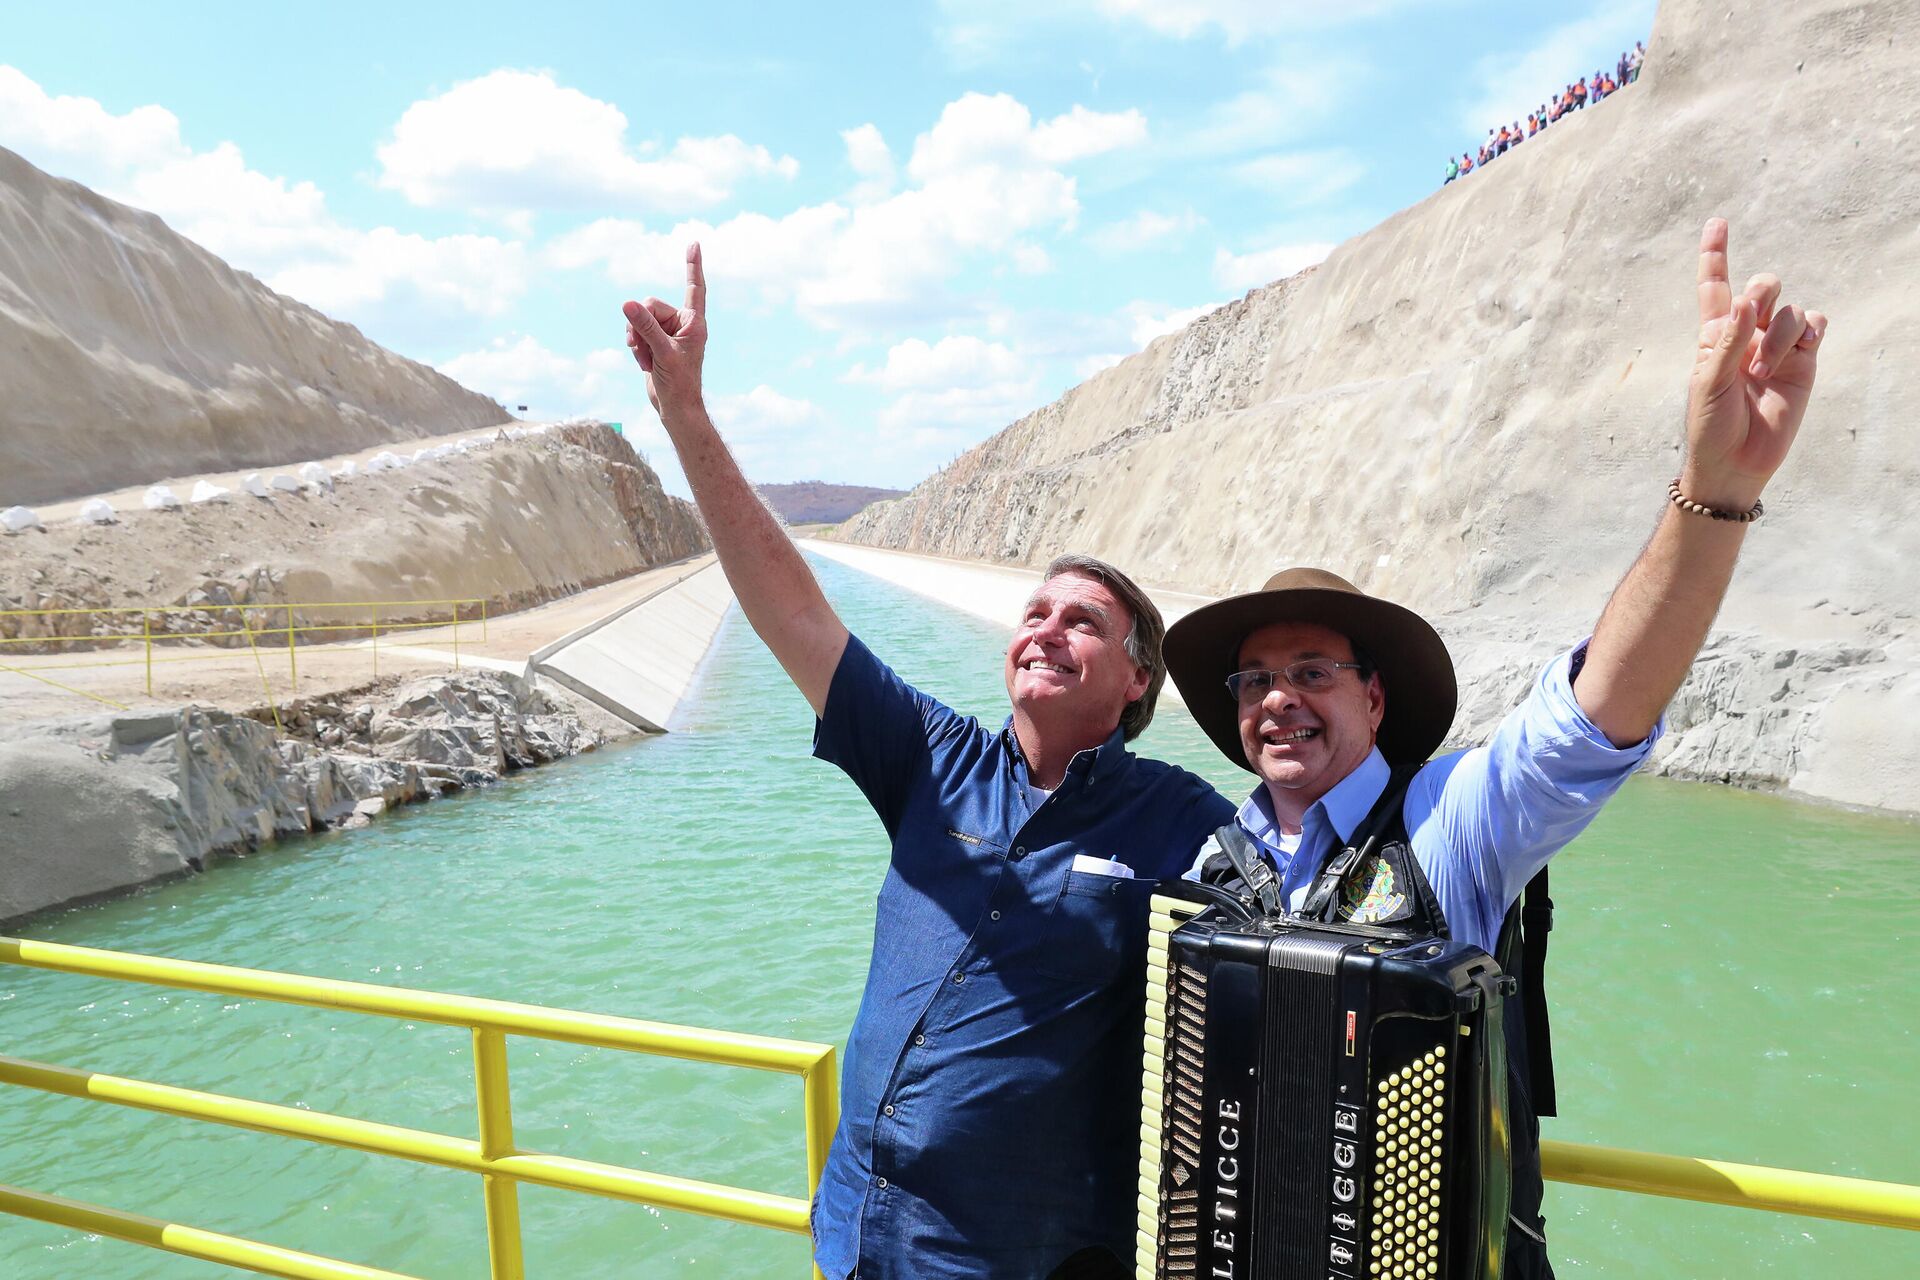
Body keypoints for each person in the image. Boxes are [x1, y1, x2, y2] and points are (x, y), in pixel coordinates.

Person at [1160, 218, 1825, 1278]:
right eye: (1256, 678)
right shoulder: (1212, 869)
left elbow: (1593, 715)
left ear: (1375, 698)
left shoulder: (1452, 819)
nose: (1278, 699)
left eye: (1311, 671)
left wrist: (1713, 493)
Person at [620, 247, 1235, 1280]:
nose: (1043, 629)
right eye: (1033, 610)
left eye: (1081, 621)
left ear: (1137, 679)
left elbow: (1308, 887)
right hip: (857, 1237)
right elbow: (795, 611)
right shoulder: (931, 758)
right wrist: (686, 413)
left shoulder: (1183, 821)